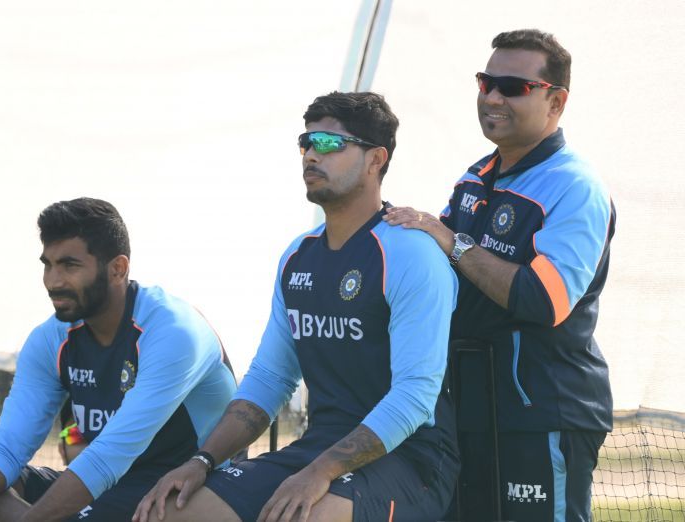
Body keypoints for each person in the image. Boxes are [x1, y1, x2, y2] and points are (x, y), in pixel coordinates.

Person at [133, 91, 460, 522]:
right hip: (319, 447)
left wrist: (321, 472)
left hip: (411, 458)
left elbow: (416, 398)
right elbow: (269, 378)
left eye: (328, 144)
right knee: (172, 511)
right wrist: (202, 461)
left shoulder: (410, 253)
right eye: (305, 143)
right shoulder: (296, 256)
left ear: (375, 159)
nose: (310, 154)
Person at [384, 29, 615, 521]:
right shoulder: (474, 177)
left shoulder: (575, 186)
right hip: (466, 411)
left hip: (541, 414)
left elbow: (544, 300)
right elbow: (439, 273)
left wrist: (451, 240)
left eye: (512, 87)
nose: (491, 97)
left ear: (556, 101)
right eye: (485, 82)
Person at [0, 197, 237, 522]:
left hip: (181, 491)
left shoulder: (172, 331)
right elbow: (10, 444)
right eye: (47, 264)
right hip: (99, 486)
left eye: (69, 266)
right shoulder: (50, 339)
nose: (53, 281)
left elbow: (108, 457)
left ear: (118, 268)